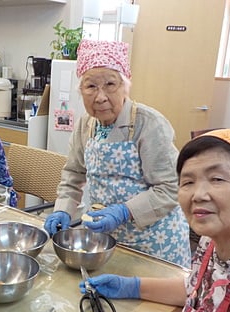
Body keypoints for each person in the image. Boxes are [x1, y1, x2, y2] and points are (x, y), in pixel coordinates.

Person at [81, 129, 230, 312]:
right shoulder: (211, 241)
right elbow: (197, 291)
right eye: (188, 182)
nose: (198, 194)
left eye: (217, 179)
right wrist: (130, 286)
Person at [44, 39, 191, 267]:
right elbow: (73, 175)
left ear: (125, 87)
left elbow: (171, 188)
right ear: (80, 91)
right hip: (104, 240)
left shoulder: (149, 124)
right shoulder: (85, 125)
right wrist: (62, 210)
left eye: (110, 84)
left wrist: (124, 211)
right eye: (91, 86)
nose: (100, 97)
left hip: (153, 240)